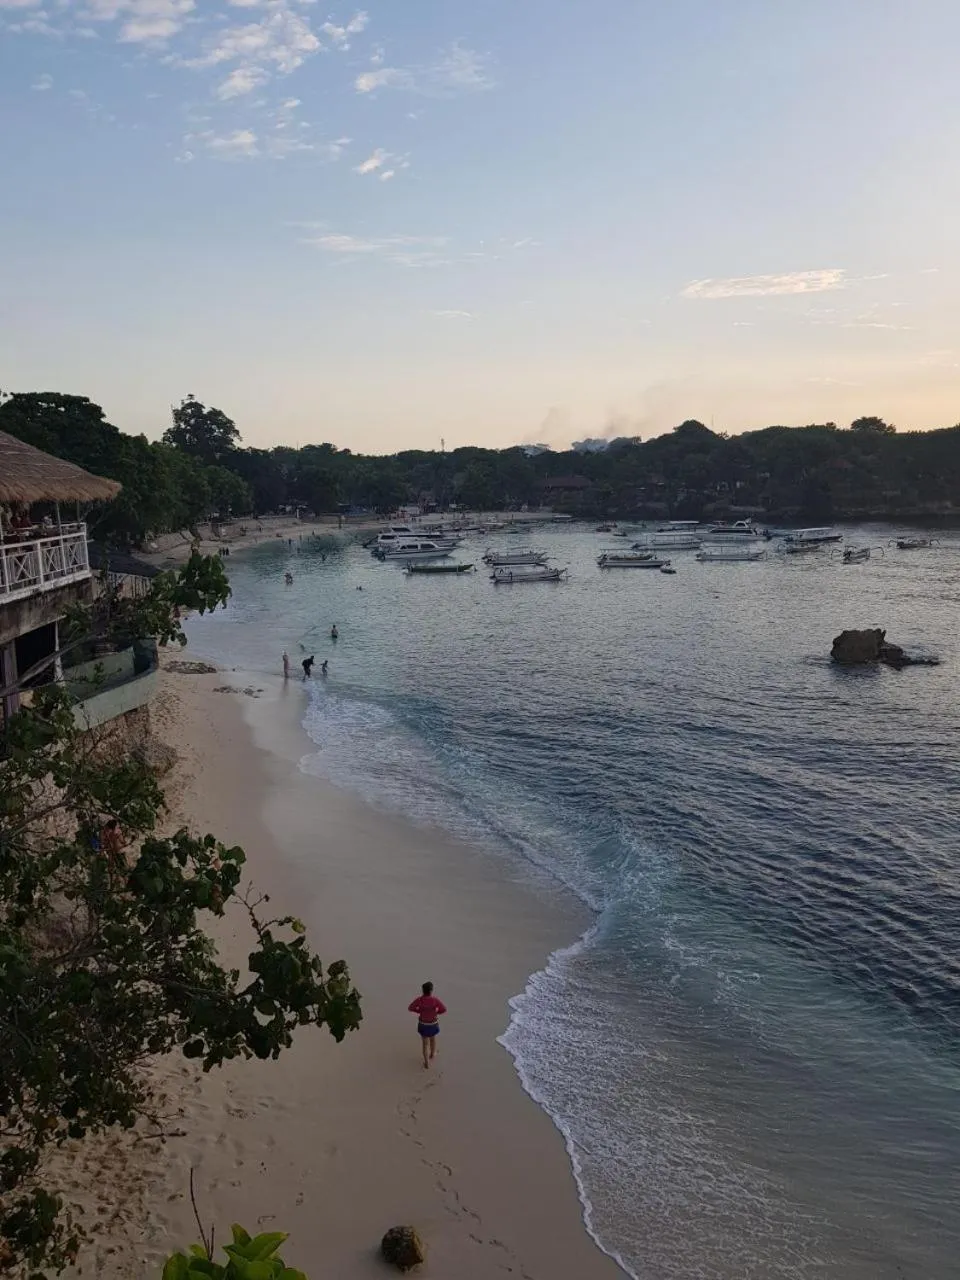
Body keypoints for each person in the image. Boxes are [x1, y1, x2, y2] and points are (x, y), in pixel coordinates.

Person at [408, 981, 446, 1069]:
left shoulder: (419, 1000)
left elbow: (410, 1008)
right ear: (431, 990)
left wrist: (419, 1011)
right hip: (433, 1024)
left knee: (425, 1044)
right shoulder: (435, 1000)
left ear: (422, 990)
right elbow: (444, 1009)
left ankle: (426, 1063)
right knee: (433, 1039)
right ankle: (432, 1054)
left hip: (423, 1024)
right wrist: (436, 1012)